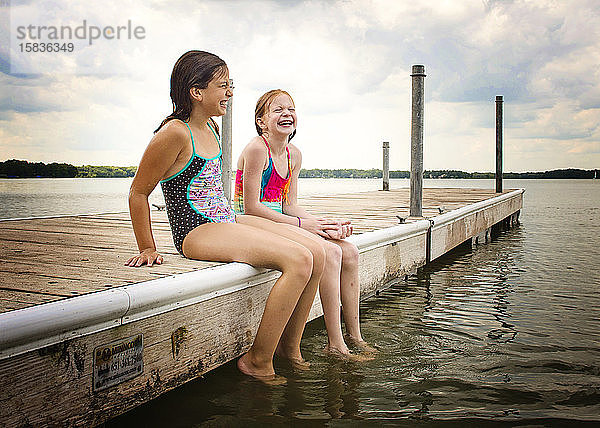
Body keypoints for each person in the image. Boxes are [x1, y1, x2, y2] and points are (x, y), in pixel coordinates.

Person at [126, 51, 328, 382]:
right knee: (299, 262)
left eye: (230, 85)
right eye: (224, 85)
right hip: (197, 230)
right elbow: (138, 192)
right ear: (196, 91)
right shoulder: (175, 132)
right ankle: (258, 361)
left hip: (225, 219)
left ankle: (289, 349)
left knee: (317, 253)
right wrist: (147, 247)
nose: (230, 92)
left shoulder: (211, 127)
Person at [234, 89, 376, 359]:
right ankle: (336, 343)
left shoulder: (293, 155)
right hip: (252, 222)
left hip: (282, 220)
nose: (286, 113)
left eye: (291, 109)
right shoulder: (256, 149)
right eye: (277, 110)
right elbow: (251, 206)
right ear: (261, 121)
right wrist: (302, 225)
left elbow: (289, 203)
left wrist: (322, 223)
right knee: (331, 252)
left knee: (349, 251)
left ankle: (355, 336)